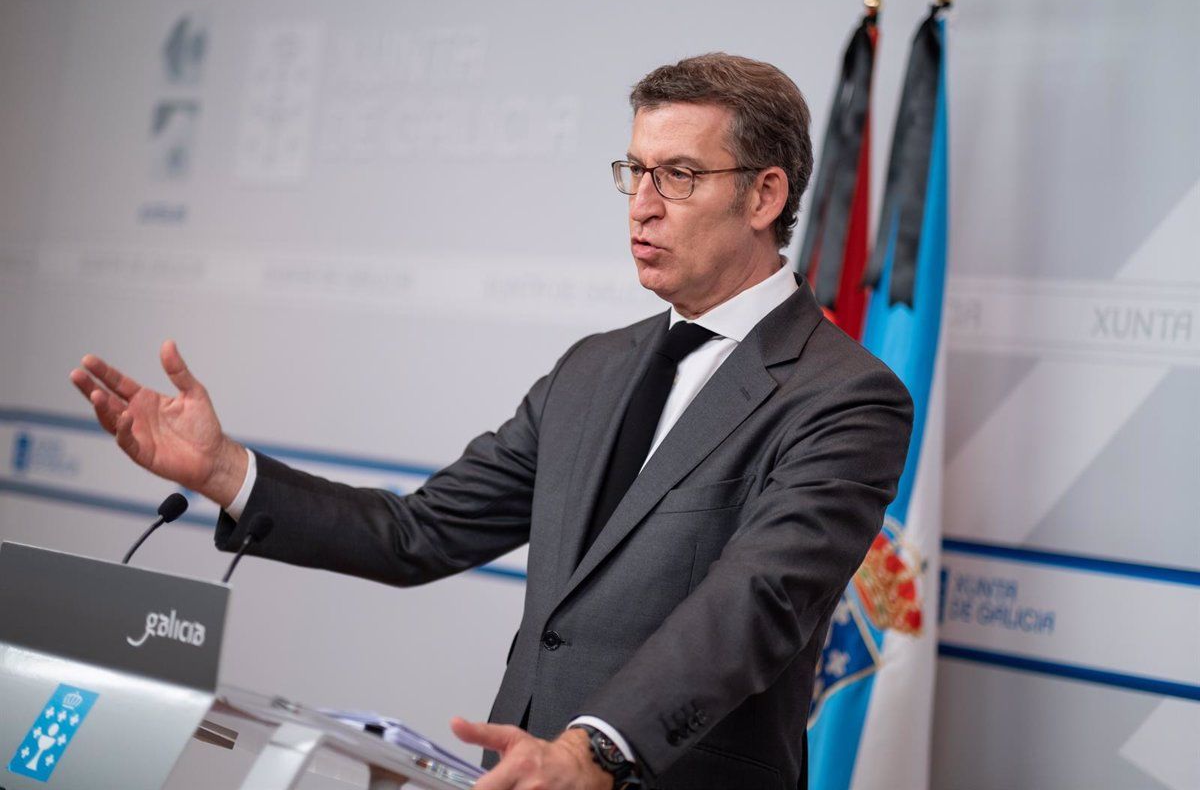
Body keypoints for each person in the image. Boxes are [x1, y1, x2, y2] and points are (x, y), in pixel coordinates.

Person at [71, 53, 912, 790]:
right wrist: (225, 473)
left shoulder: (842, 395)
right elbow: (419, 532)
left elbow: (753, 602)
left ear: (766, 195)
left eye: (679, 176)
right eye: (633, 171)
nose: (641, 207)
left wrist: (598, 750)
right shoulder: (595, 368)